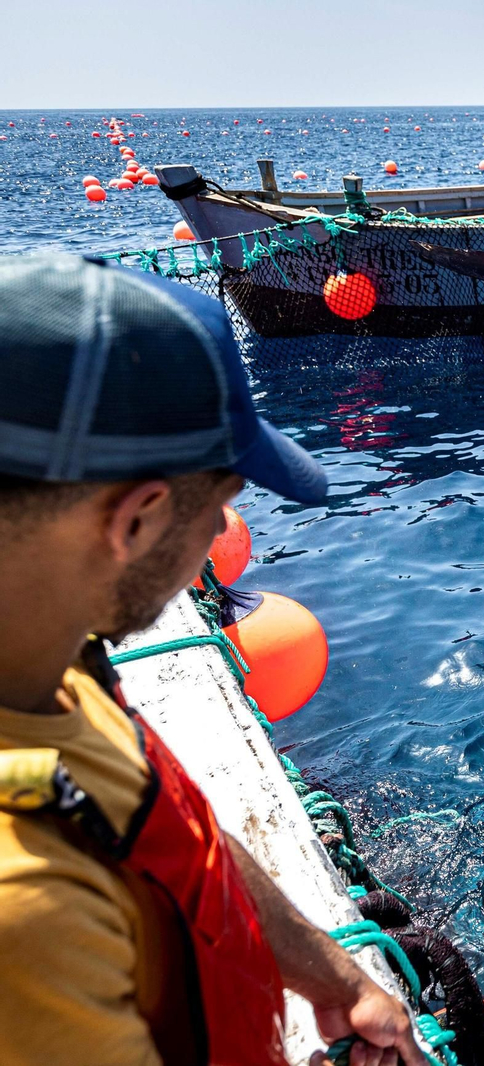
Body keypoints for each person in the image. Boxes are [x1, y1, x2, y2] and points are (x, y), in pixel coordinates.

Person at [0, 255, 425, 1066]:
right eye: (223, 505)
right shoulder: (29, 918)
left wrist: (341, 980)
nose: (218, 540)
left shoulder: (50, 665)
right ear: (136, 522)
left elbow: (167, 833)